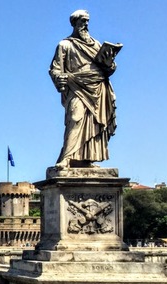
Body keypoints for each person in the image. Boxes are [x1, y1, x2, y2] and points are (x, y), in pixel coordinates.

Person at [49, 10, 118, 169]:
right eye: (82, 21)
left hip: (98, 87)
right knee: (75, 118)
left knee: (93, 123)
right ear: (74, 23)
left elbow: (107, 69)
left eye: (87, 21)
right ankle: (67, 158)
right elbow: (55, 69)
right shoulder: (65, 45)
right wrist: (59, 78)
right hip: (76, 86)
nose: (85, 24)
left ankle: (87, 159)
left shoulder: (97, 44)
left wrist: (109, 63)